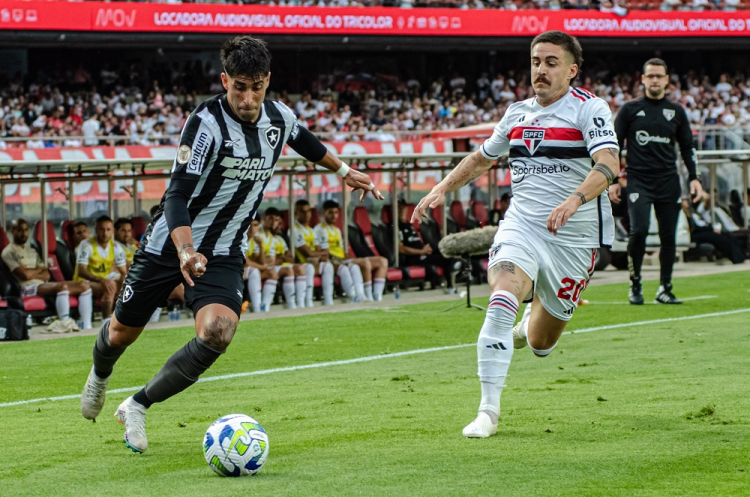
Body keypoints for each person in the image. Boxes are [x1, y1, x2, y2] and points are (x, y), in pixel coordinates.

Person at [79, 36, 382, 454]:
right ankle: (99, 375)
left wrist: (345, 169)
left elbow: (306, 142)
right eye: (239, 85)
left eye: (256, 86)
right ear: (225, 80)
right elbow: (176, 196)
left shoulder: (279, 117)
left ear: (267, 82)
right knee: (121, 333)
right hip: (170, 243)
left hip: (224, 250)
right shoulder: (205, 123)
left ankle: (137, 404)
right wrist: (185, 251)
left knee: (218, 332)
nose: (247, 96)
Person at [412, 31, 620, 438]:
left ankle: (527, 328)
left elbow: (610, 161)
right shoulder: (517, 113)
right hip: (521, 226)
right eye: (535, 61)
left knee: (542, 344)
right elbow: (481, 158)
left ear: (572, 70)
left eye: (551, 62)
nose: (540, 70)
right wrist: (441, 187)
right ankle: (487, 412)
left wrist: (575, 200)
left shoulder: (589, 109)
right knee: (502, 294)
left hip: (573, 240)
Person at [611, 58, 703, 305]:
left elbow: (687, 147)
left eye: (658, 76)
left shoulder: (677, 111)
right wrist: (612, 180)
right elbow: (614, 146)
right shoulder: (630, 110)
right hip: (639, 181)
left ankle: (665, 288)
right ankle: (635, 282)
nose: (654, 80)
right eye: (649, 76)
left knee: (668, 238)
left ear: (666, 80)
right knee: (638, 232)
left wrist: (695, 178)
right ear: (642, 79)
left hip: (668, 182)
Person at [1, 218, 93, 332]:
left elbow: (46, 274)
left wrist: (31, 271)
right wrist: (36, 271)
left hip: (42, 285)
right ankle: (65, 323)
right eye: (19, 230)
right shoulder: (8, 252)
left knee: (85, 286)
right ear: (12, 231)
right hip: (25, 288)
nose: (23, 233)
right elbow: (24, 276)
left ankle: (86, 325)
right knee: (61, 287)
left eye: (25, 230)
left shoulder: (32, 251)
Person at [315, 200, 388, 302]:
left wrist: (350, 259)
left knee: (383, 261)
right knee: (364, 264)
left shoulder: (337, 230)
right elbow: (325, 253)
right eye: (330, 212)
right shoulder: (320, 230)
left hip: (342, 259)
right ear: (323, 213)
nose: (334, 216)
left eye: (336, 213)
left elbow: (342, 251)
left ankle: (377, 296)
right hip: (334, 261)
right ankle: (366, 296)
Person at [74, 215, 127, 320]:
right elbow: (81, 271)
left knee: (127, 282)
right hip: (84, 282)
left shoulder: (116, 247)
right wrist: (102, 280)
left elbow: (123, 272)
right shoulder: (86, 245)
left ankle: (125, 318)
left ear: (113, 231)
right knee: (110, 285)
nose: (105, 233)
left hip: (105, 280)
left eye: (108, 229)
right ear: (96, 230)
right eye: (102, 229)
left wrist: (122, 289)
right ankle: (106, 321)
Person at [290, 199, 335, 306]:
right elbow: (308, 253)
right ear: (296, 213)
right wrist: (320, 254)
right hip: (302, 263)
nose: (307, 214)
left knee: (328, 266)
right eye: (303, 211)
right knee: (309, 268)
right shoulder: (294, 230)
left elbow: (320, 251)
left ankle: (329, 300)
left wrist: (319, 254)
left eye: (308, 211)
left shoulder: (311, 230)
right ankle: (307, 301)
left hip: (314, 262)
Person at [261, 207, 307, 309]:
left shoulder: (279, 239)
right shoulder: (259, 235)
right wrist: (279, 258)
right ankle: (290, 305)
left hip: (277, 266)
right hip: (266, 267)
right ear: (264, 218)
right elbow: (268, 259)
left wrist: (280, 258)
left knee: (300, 268)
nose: (274, 222)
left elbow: (290, 258)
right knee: (288, 270)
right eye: (271, 218)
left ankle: (301, 304)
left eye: (277, 220)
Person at [398, 203, 452, 289]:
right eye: (400, 210)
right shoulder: (396, 227)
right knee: (445, 259)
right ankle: (450, 286)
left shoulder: (409, 225)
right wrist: (422, 251)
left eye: (404, 210)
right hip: (415, 257)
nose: (403, 212)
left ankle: (451, 279)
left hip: (423, 253)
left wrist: (426, 249)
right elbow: (401, 249)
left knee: (446, 253)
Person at [244, 219, 279, 313]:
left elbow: (261, 262)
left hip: (246, 271)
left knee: (272, 273)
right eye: (249, 225)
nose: (251, 228)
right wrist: (262, 267)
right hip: (235, 270)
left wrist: (261, 246)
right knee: (254, 271)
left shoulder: (254, 240)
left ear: (258, 226)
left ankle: (265, 307)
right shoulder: (241, 238)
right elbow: (246, 262)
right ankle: (257, 308)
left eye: (255, 225)